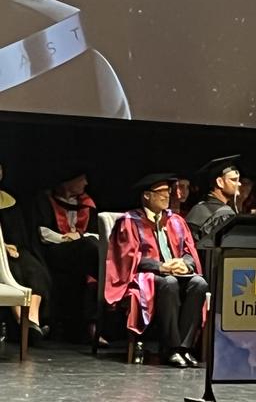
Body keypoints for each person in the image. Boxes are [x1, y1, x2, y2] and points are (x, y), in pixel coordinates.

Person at [105, 173, 207, 368]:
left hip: (176, 272)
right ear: (146, 196)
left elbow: (189, 250)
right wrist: (161, 266)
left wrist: (185, 263)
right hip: (145, 275)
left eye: (168, 192)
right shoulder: (130, 221)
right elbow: (128, 258)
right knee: (169, 283)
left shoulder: (176, 221)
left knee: (199, 283)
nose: (167, 196)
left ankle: (184, 349)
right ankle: (172, 348)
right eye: (160, 192)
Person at [31, 162, 102, 343]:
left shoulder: (87, 203)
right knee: (90, 248)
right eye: (81, 179)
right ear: (68, 182)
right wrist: (66, 239)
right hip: (55, 252)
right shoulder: (46, 199)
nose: (85, 183)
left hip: (81, 251)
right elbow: (42, 232)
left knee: (92, 246)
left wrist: (78, 236)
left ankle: (93, 321)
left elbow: (96, 233)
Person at [0, 163, 51, 344]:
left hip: (14, 250)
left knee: (34, 268)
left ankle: (33, 320)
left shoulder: (8, 200)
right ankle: (22, 322)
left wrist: (12, 246)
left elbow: (19, 234)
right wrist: (2, 246)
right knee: (12, 270)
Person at [185, 156, 240, 244]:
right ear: (220, 182)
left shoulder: (197, 208)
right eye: (234, 180)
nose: (239, 184)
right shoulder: (223, 214)